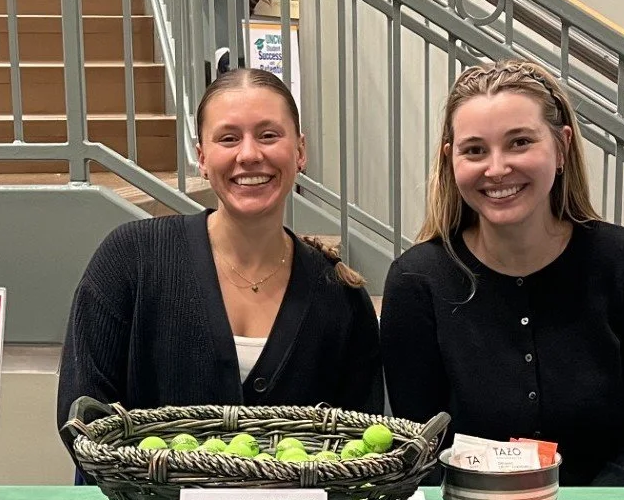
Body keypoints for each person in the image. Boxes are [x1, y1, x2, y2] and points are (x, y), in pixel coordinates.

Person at [381, 58, 624, 487]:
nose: (496, 168)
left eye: (520, 142)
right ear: (451, 161)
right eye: (475, 150)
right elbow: (422, 447)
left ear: (561, 147)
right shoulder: (418, 281)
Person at [57, 68, 382, 451]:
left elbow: (359, 448)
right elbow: (83, 420)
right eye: (228, 138)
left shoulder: (340, 298)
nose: (249, 154)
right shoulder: (131, 261)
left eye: (269, 135)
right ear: (202, 158)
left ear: (300, 151)